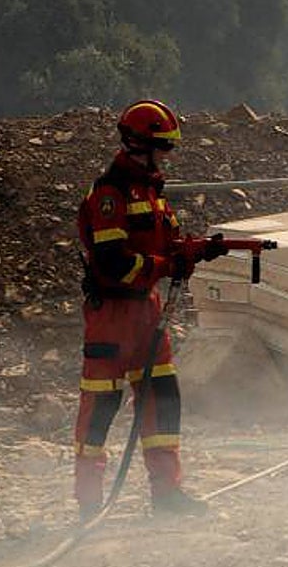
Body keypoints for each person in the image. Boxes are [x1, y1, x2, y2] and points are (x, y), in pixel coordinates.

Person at [73, 99, 228, 521]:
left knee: (162, 399)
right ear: (141, 144)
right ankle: (89, 504)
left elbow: (169, 246)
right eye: (164, 148)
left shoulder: (152, 195)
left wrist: (197, 251)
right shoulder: (111, 194)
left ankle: (168, 495)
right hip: (112, 317)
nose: (168, 157)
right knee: (101, 409)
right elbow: (114, 264)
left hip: (148, 313)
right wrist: (166, 265)